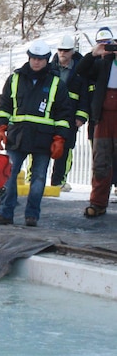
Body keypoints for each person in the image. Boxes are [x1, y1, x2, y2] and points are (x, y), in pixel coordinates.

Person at [0, 40, 73, 226]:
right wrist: (1, 128)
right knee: (9, 176)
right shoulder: (14, 79)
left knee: (38, 178)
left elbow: (63, 113)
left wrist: (60, 137)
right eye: (33, 58)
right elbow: (4, 106)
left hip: (42, 139)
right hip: (17, 136)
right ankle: (5, 213)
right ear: (29, 58)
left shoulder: (56, 84)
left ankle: (32, 215)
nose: (36, 62)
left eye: (40, 59)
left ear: (47, 60)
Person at [75, 26, 117, 217]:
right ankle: (98, 203)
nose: (106, 48)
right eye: (101, 44)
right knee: (101, 161)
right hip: (103, 117)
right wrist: (93, 54)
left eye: (108, 44)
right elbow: (81, 70)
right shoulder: (100, 63)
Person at [48, 34, 89, 190]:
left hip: (70, 116)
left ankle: (58, 182)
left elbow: (84, 95)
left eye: (66, 50)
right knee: (40, 147)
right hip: (49, 115)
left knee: (65, 149)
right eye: (60, 50)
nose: (62, 53)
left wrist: (81, 116)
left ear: (72, 51)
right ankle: (34, 178)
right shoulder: (50, 68)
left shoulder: (80, 71)